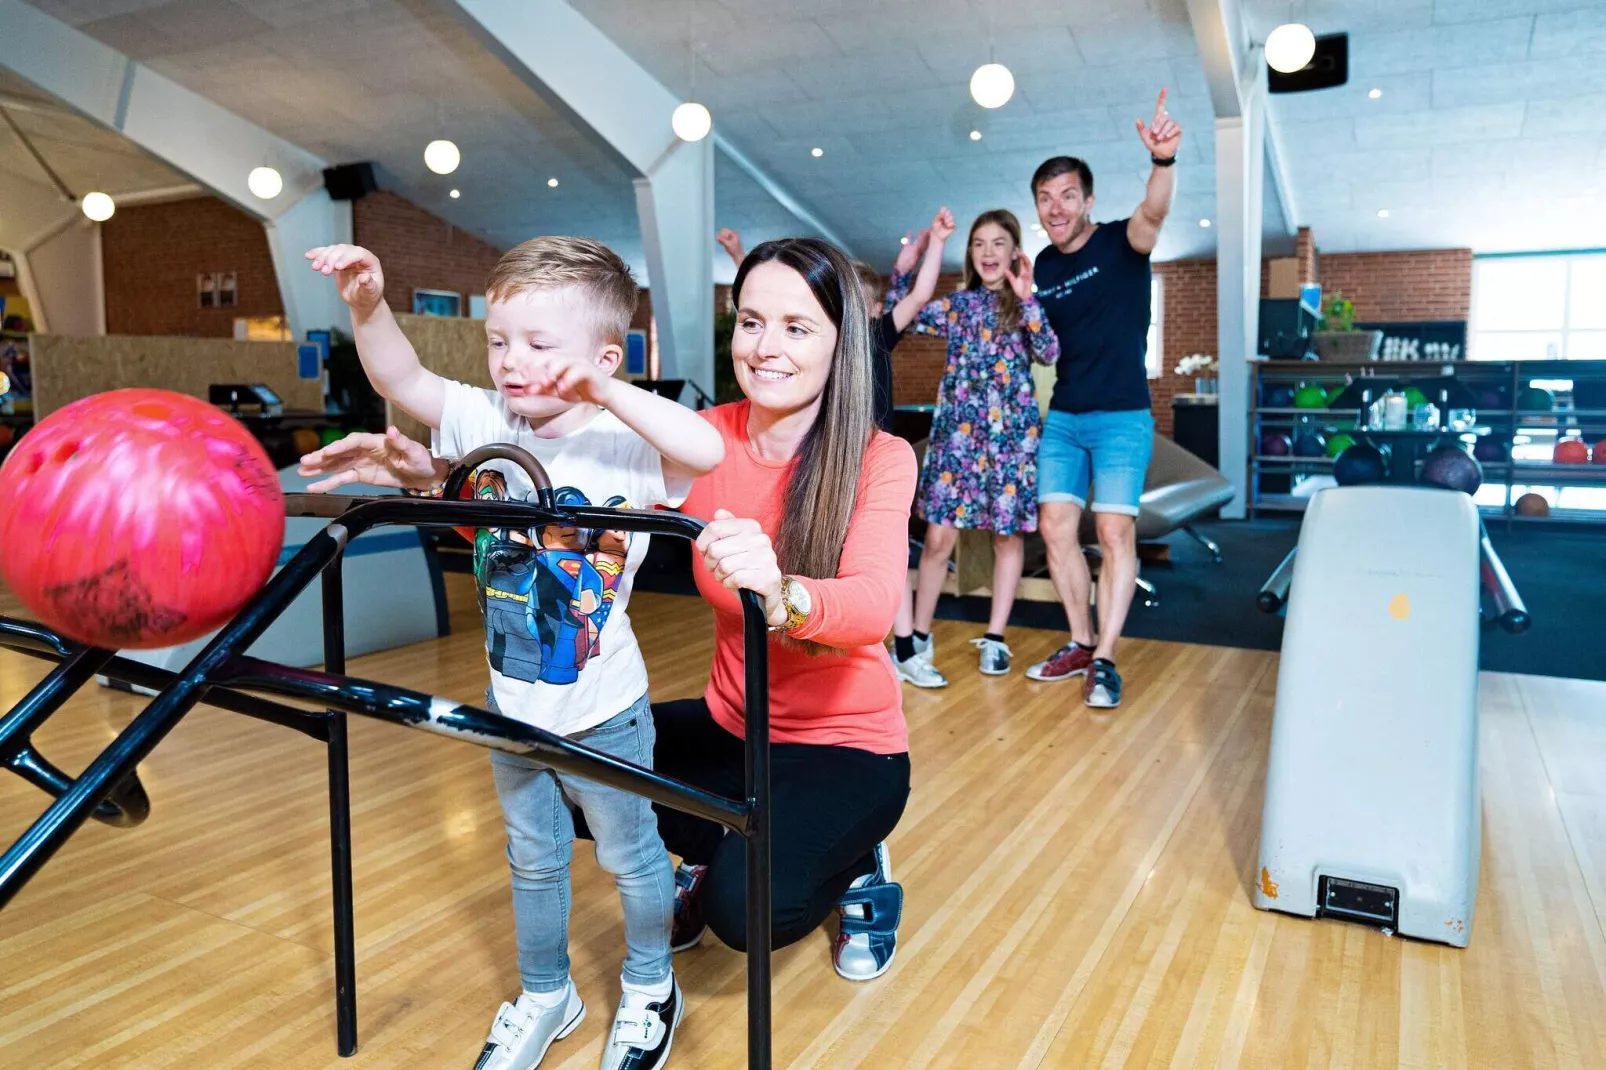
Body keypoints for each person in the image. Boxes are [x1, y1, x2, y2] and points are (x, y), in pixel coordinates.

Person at [299, 236, 725, 1070]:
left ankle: (649, 985)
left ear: (604, 358)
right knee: (532, 858)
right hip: (512, 702)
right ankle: (546, 993)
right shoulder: (490, 421)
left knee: (631, 857)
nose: (511, 362)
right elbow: (402, 379)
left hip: (605, 711)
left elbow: (706, 450)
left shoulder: (627, 439)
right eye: (500, 341)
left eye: (538, 345)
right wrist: (367, 306)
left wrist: (606, 390)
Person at [718, 223, 944, 691]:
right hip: (735, 710)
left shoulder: (879, 340)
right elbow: (766, 293)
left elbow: (920, 295)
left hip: (857, 461)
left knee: (880, 563)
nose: (767, 347)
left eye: (798, 327)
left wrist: (935, 244)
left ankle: (907, 647)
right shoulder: (710, 435)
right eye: (751, 323)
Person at [1026, 89, 1181, 708]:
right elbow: (1040, 342)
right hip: (1065, 416)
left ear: (1087, 201)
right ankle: (1081, 640)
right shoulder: (1041, 267)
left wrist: (1162, 161)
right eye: (1045, 198)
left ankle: (1107, 659)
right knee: (1054, 527)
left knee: (1115, 531)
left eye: (1067, 195)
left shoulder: (1123, 242)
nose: (1056, 207)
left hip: (1121, 415)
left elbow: (1154, 211)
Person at [891, 208, 1060, 684]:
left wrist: (1028, 300)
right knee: (937, 540)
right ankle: (917, 638)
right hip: (956, 443)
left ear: (1014, 252)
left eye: (998, 243)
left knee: (1008, 538)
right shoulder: (959, 306)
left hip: (1011, 443)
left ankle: (996, 637)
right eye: (979, 243)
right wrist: (903, 270)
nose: (988, 252)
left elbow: (1049, 352)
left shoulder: (1026, 304)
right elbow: (900, 319)